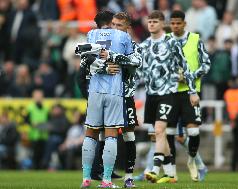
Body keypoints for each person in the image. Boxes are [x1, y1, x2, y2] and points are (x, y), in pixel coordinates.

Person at [139, 10, 198, 184]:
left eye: (155, 22)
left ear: (162, 23)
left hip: (169, 94)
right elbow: (139, 70)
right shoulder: (144, 45)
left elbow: (185, 67)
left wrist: (192, 91)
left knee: (159, 130)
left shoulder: (172, 42)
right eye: (149, 22)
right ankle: (171, 174)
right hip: (151, 95)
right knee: (159, 135)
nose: (151, 24)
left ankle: (155, 169)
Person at [76, 10, 134, 188]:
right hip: (115, 91)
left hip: (94, 90)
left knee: (90, 133)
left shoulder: (91, 34)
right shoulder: (124, 37)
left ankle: (86, 178)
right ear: (113, 22)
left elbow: (83, 59)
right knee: (110, 134)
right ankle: (107, 180)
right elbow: (132, 62)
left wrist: (100, 67)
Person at [90, 12, 142, 188]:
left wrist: (113, 58)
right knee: (105, 135)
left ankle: (128, 176)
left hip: (125, 95)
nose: (115, 28)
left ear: (128, 27)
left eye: (119, 25)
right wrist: (103, 66)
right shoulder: (104, 45)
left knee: (128, 135)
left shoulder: (133, 45)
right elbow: (90, 65)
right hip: (107, 94)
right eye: (113, 24)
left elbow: (136, 61)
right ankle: (106, 177)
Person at [168, 10, 211, 182]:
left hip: (191, 92)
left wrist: (191, 76)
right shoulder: (166, 41)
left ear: (184, 24)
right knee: (171, 133)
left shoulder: (195, 39)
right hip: (171, 92)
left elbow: (206, 64)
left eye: (178, 23)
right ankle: (169, 171)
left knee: (193, 131)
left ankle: (193, 161)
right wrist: (173, 76)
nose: (175, 26)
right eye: (173, 23)